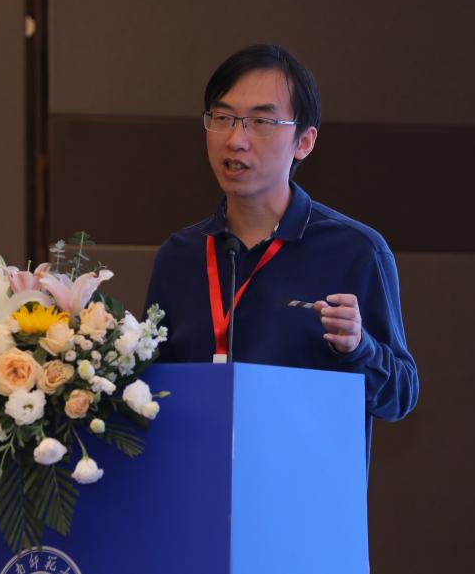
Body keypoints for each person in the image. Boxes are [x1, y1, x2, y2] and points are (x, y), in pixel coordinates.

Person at [143, 44, 419, 465]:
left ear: (304, 142)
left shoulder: (355, 251)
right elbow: (149, 392)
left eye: (261, 122)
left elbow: (400, 396)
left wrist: (359, 348)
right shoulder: (180, 255)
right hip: (195, 488)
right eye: (222, 118)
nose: (236, 140)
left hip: (305, 494)